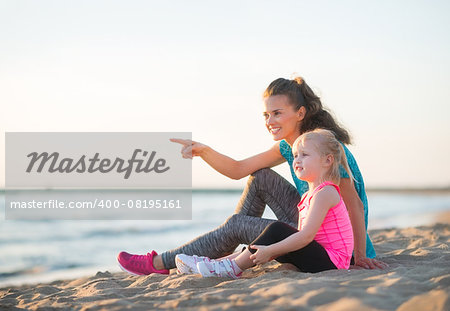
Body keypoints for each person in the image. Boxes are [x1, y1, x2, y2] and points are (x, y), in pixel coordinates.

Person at [117, 77, 387, 276]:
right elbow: (237, 169)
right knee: (260, 177)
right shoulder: (289, 146)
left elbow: (354, 204)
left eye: (278, 113)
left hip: (331, 243)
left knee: (237, 224)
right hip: (315, 228)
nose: (270, 121)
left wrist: (360, 256)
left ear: (300, 113)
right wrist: (205, 151)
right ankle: (226, 254)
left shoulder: (323, 148)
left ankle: (160, 264)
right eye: (266, 115)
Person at [177, 129, 354, 278]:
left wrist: (270, 251)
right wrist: (270, 249)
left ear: (327, 160)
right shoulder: (310, 195)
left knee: (278, 230)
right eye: (295, 155)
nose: (297, 160)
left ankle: (231, 268)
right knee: (279, 233)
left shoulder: (326, 192)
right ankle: (217, 263)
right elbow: (300, 236)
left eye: (305, 155)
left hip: (332, 263)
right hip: (319, 258)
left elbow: (306, 236)